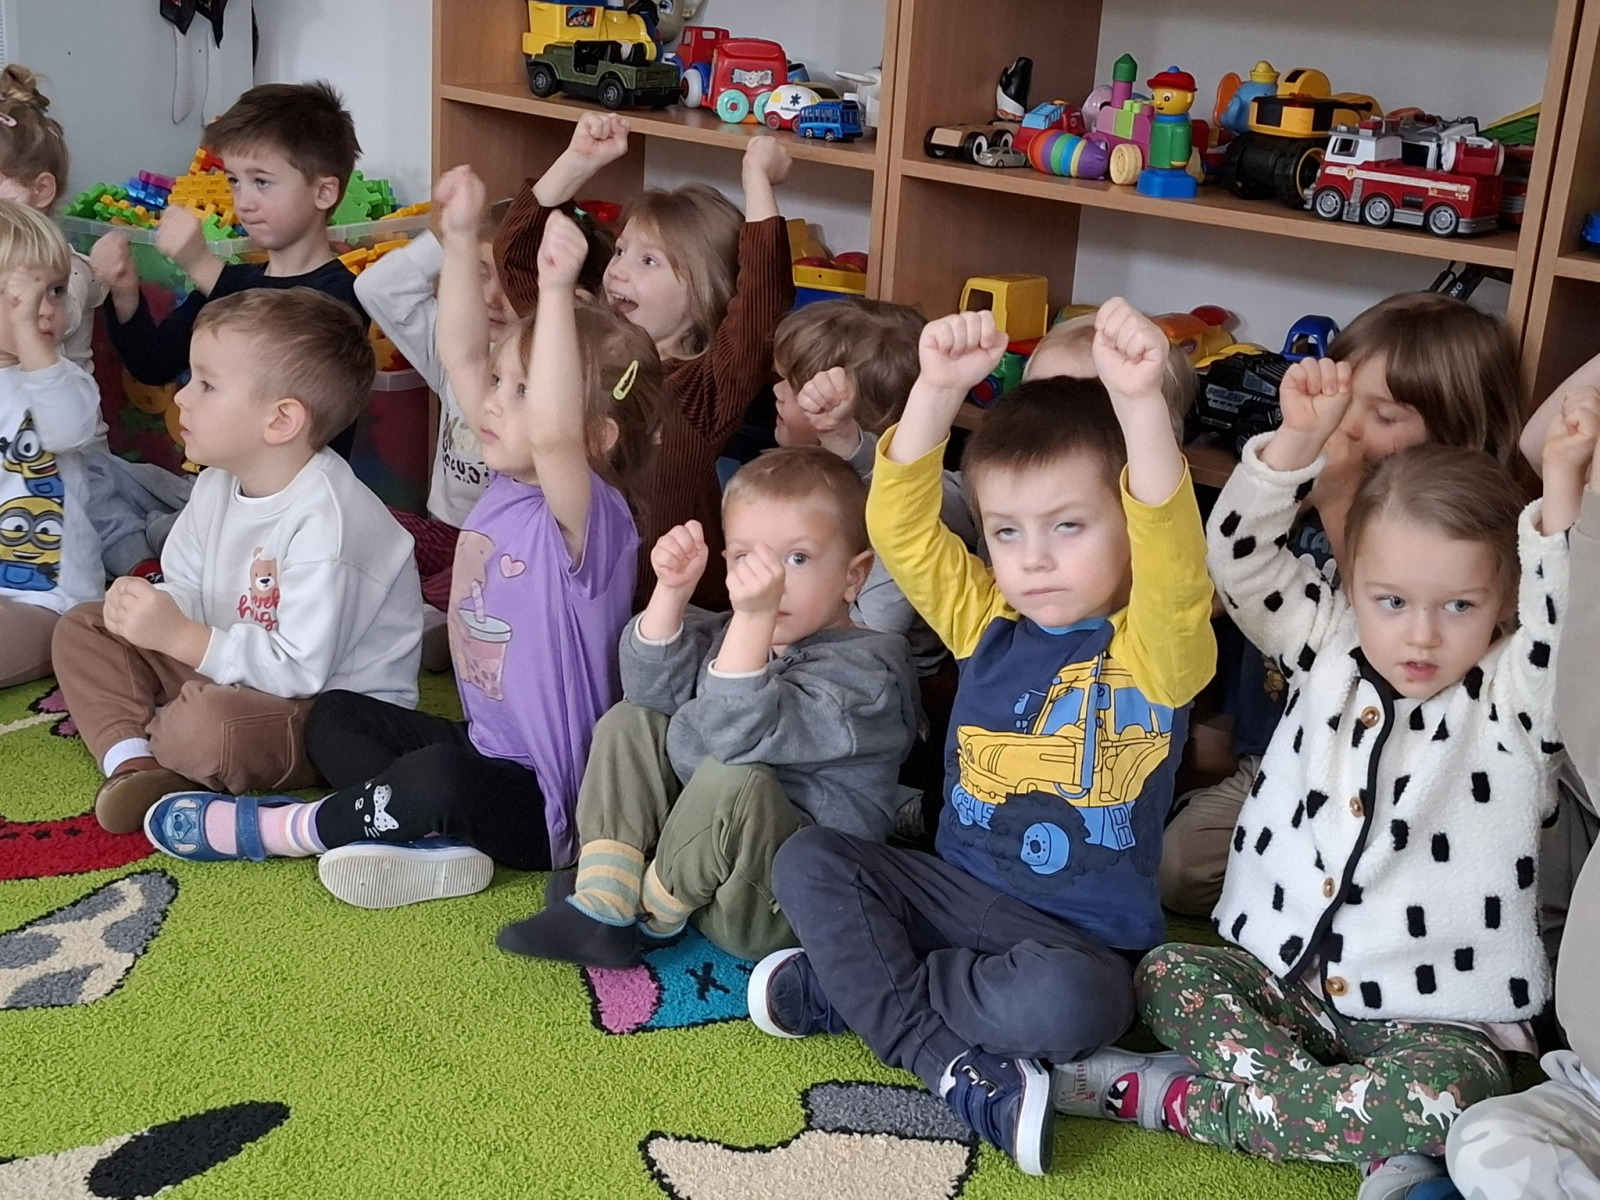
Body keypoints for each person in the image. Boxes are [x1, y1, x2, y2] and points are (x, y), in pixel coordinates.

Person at [1053, 360, 1586, 1183]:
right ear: (1353, 583)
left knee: (1458, 1099)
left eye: (1459, 606)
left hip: (1434, 1020)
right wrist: (1296, 442)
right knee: (1164, 974)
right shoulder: (1329, 639)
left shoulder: (1515, 695)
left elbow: (1564, 630)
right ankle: (1351, 1123)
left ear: (1504, 601)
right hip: (1285, 982)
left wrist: (1559, 497)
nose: (1420, 636)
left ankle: (1177, 1099)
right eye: (1392, 601)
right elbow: (1239, 560)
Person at [750, 302, 1217, 1176]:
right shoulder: (987, 621)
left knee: (1079, 1006)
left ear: (1125, 522)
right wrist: (933, 392)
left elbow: (1173, 551)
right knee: (809, 858)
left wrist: (1141, 408)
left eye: (1068, 526)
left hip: (1073, 942)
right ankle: (943, 1058)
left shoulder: (1160, 648)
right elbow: (900, 529)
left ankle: (856, 989)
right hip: (950, 897)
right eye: (1007, 532)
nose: (1033, 559)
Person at [140, 169, 664, 914]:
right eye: (502, 383)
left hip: (553, 803)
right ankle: (432, 840)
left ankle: (289, 830)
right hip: (485, 747)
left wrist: (554, 294)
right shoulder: (507, 480)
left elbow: (553, 432)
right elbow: (462, 358)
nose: (491, 402)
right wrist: (458, 238)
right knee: (337, 716)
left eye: (521, 391)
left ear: (598, 438)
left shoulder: (592, 522)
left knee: (438, 782)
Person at [1161, 292, 1526, 920]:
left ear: (1456, 435)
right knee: (1177, 867)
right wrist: (1299, 451)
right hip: (1296, 763)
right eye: (1345, 400)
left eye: (1383, 414)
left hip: (1416, 789)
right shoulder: (1305, 485)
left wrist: (1338, 498)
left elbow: (1381, 630)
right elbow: (1237, 565)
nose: (1350, 426)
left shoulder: (1472, 547)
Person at [497, 446, 918, 967]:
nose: (771, 580)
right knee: (631, 720)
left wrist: (754, 620)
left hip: (778, 905)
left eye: (797, 559)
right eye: (746, 557)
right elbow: (650, 694)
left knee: (736, 778)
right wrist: (671, 594)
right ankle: (606, 896)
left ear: (854, 576)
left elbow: (735, 738)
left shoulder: (867, 678)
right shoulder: (737, 633)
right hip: (704, 879)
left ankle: (647, 915)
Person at [51, 287, 421, 834]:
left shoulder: (330, 521)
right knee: (85, 625)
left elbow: (300, 671)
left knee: (205, 727)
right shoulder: (218, 484)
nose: (181, 397)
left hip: (322, 709)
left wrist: (180, 638)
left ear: (280, 421)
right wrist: (154, 608)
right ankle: (134, 763)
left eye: (206, 384)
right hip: (229, 663)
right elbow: (188, 586)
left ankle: (166, 737)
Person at [495, 112, 795, 607]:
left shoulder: (702, 389)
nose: (618, 271)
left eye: (648, 261)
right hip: (570, 594)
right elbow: (518, 257)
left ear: (705, 294)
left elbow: (763, 301)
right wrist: (576, 162)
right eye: (620, 251)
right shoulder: (581, 343)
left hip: (665, 611)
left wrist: (757, 179)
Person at [89, 81, 369, 460]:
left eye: (262, 182)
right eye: (235, 181)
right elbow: (154, 364)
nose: (243, 202)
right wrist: (124, 289)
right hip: (226, 488)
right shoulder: (233, 283)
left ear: (324, 193)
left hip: (297, 493)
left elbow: (273, 346)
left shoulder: (341, 294)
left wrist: (200, 263)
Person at [0, 63, 195, 579]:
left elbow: (50, 318)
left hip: (77, 450)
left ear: (41, 191)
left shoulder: (59, 273)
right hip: (18, 458)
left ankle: (150, 568)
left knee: (104, 517)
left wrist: (104, 276)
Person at [768, 296, 972, 674]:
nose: (777, 391)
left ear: (854, 415)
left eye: (797, 387)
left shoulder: (894, 523)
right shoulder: (815, 478)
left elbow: (871, 636)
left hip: (873, 674)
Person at [0, 200, 102, 687]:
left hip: (49, 601)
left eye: (56, 291)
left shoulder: (64, 380)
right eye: (19, 298)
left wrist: (25, 333)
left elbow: (68, 430)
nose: (42, 310)